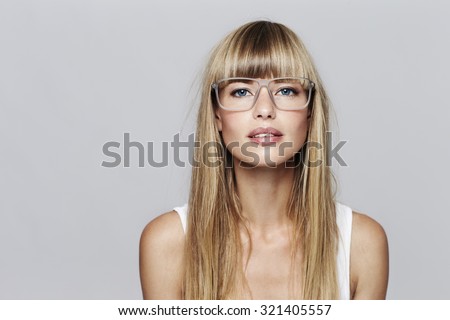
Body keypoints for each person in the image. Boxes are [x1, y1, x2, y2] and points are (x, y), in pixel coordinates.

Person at [139, 20, 388, 300]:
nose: (265, 109)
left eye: (286, 90)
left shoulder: (362, 245)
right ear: (217, 115)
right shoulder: (168, 243)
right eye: (241, 91)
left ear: (309, 112)